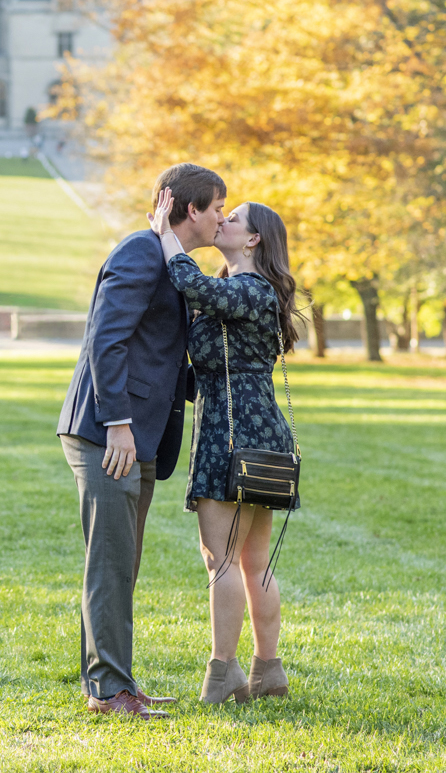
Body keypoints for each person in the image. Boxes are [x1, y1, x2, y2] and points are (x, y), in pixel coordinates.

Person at [57, 163, 227, 719]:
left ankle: (110, 684)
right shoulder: (139, 252)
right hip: (109, 433)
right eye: (217, 206)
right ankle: (110, 692)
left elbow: (162, 353)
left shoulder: (170, 263)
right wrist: (119, 425)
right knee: (110, 563)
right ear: (187, 206)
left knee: (120, 563)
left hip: (141, 437)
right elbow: (105, 342)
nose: (222, 216)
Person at [149, 187, 302, 703]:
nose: (222, 221)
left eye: (232, 218)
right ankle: (268, 672)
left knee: (223, 558)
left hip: (233, 433)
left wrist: (168, 236)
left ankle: (223, 672)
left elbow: (196, 288)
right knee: (252, 560)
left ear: (253, 238)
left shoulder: (251, 289)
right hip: (255, 429)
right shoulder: (245, 289)